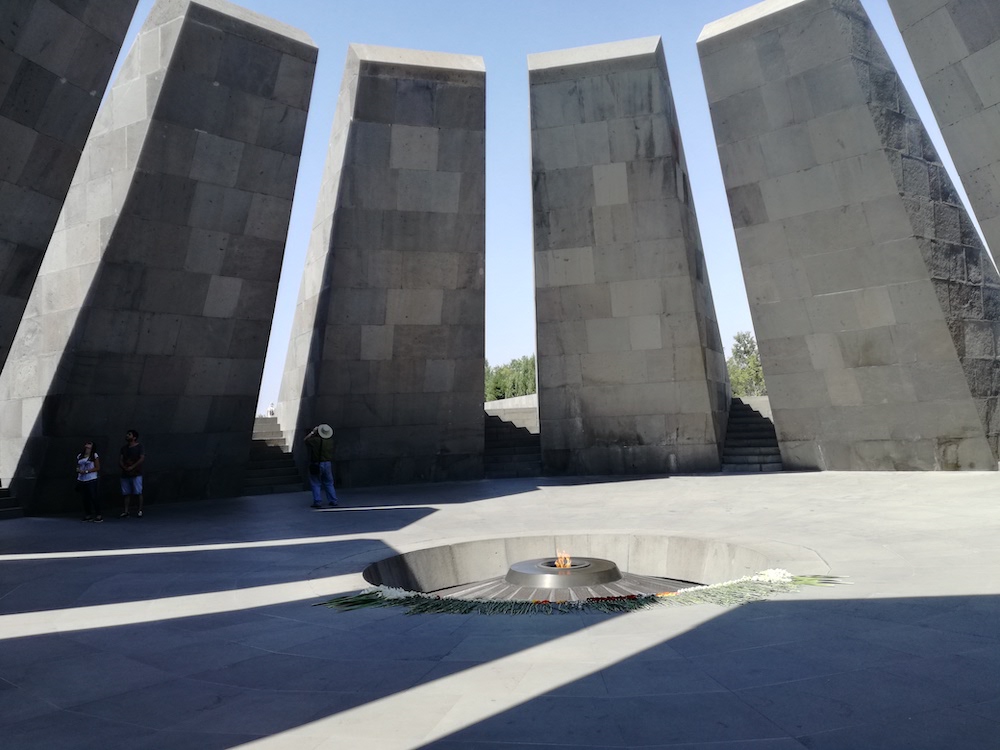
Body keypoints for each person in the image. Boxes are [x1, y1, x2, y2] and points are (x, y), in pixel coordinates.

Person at [304, 423, 338, 508]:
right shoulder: (330, 441)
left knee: (316, 483)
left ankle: (317, 501)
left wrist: (312, 432)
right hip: (327, 463)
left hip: (317, 463)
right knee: (329, 483)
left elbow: (305, 440)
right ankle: (333, 500)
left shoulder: (315, 441)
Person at [119, 429, 144, 518]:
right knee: (126, 493)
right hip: (125, 473)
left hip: (136, 473)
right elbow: (120, 459)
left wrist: (132, 467)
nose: (127, 436)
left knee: (138, 491)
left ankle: (140, 510)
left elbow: (141, 458)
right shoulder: (124, 448)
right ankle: (126, 511)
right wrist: (124, 467)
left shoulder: (139, 447)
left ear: (134, 437)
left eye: (129, 434)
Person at [76, 440, 102, 523]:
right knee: (85, 498)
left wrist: (87, 471)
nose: (87, 445)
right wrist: (78, 470)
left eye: (89, 444)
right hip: (82, 479)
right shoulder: (80, 455)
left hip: (91, 479)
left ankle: (98, 514)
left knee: (93, 497)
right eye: (86, 444)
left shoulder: (94, 455)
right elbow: (78, 465)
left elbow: (97, 467)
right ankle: (88, 514)